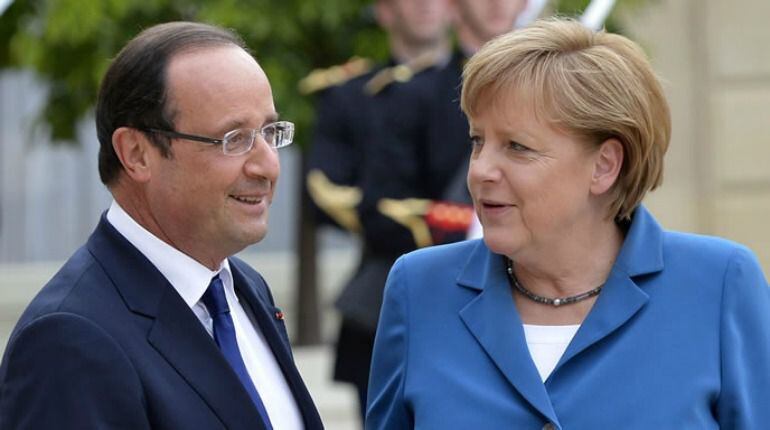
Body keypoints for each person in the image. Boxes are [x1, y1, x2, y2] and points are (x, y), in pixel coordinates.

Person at [366, 18, 770, 429]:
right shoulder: (419, 290)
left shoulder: (719, 286)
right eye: (477, 141)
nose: (481, 170)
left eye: (517, 147)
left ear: (604, 165)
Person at [0, 22, 323, 430]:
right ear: (136, 154)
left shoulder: (244, 288)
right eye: (234, 138)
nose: (268, 165)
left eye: (269, 133)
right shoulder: (69, 339)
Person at [304, 0, 455, 421]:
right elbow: (325, 192)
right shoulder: (353, 94)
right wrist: (432, 221)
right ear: (385, 11)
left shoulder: (478, 87)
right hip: (383, 283)